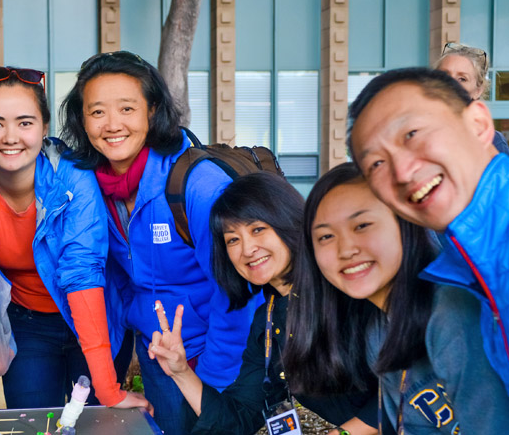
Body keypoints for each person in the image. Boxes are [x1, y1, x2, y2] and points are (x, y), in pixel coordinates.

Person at [0, 67, 151, 413]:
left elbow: (81, 275)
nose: (11, 137)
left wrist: (109, 391)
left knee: (95, 422)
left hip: (92, 318)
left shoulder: (73, 179)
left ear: (44, 129)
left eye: (25, 123)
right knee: (31, 422)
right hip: (26, 325)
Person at [59, 51, 261, 433]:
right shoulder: (90, 187)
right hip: (157, 349)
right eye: (97, 111)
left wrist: (213, 386)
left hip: (213, 351)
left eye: (127, 109)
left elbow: (239, 287)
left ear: (152, 111)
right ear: (81, 120)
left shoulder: (196, 184)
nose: (112, 124)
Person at [149, 173, 386, 435]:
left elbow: (413, 374)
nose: (247, 249)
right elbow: (239, 418)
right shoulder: (269, 318)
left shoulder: (348, 285)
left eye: (257, 229)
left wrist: (344, 433)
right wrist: (181, 371)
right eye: (233, 239)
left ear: (288, 222)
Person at [284, 162, 509, 433]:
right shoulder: (377, 333)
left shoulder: (452, 311)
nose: (345, 249)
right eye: (326, 236)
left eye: (362, 225)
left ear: (406, 224)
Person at [346, 67, 509, 395]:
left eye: (411, 134)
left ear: (478, 124)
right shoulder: (459, 266)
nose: (403, 172)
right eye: (376, 164)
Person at [433, 42, 509, 154]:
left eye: (462, 79)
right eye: (445, 75)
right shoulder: (415, 129)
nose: (451, 83)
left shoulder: (492, 142)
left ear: (478, 90)